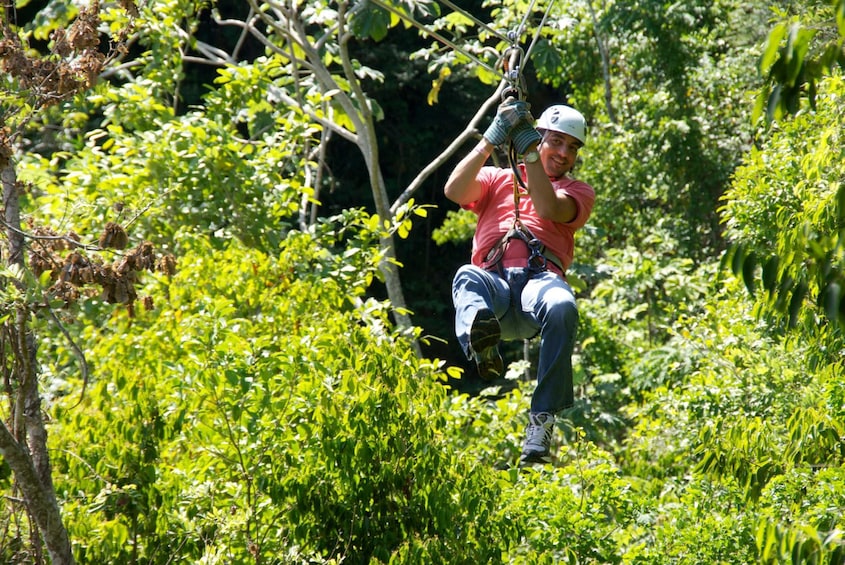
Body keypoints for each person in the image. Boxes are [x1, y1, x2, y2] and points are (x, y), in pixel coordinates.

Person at [444, 98, 595, 466]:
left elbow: (546, 208)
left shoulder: (578, 192)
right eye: (555, 141)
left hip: (537, 285)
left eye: (571, 147)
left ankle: (542, 421)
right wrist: (490, 140)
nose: (564, 153)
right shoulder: (497, 180)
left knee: (562, 306)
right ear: (539, 137)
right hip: (493, 284)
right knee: (467, 277)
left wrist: (529, 153)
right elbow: (454, 191)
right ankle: (483, 346)